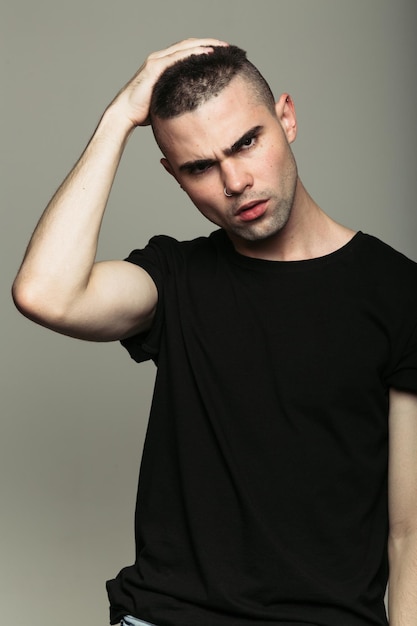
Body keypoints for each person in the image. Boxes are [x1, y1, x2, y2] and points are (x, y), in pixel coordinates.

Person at [12, 37, 417, 626]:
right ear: (173, 175)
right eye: (200, 166)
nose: (235, 181)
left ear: (287, 117)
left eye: (247, 143)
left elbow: (410, 535)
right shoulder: (174, 278)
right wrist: (119, 118)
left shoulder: (399, 292)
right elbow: (45, 293)